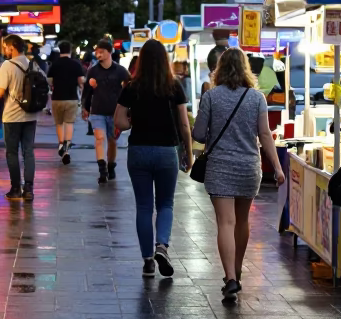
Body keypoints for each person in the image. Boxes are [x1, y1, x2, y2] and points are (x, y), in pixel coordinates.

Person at [192, 48, 285, 303]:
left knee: (225, 223)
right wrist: (277, 168)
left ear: (219, 69)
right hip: (248, 167)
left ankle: (230, 277)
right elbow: (265, 135)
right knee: (242, 222)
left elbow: (198, 135)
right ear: (246, 69)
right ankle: (238, 272)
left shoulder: (211, 96)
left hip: (219, 166)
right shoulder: (257, 98)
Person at [114, 39, 193, 278]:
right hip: (167, 151)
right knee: (166, 204)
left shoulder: (131, 87)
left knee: (144, 206)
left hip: (138, 150)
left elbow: (118, 121)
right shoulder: (174, 86)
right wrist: (188, 153)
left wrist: (132, 122)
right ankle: (162, 246)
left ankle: (147, 260)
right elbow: (184, 124)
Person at [0, 34, 40, 201]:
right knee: (29, 151)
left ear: (11, 47)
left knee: (12, 153)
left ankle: (16, 188)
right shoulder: (32, 64)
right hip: (31, 115)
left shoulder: (7, 65)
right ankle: (29, 189)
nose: (3, 50)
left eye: (4, 47)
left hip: (12, 116)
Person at [82, 39, 130, 185]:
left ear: (109, 52)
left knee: (112, 141)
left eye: (101, 52)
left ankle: (111, 166)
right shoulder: (93, 71)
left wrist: (128, 107)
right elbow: (86, 91)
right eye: (97, 52)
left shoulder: (120, 71)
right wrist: (85, 107)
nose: (98, 54)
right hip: (97, 111)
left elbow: (130, 87)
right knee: (100, 138)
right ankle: (102, 170)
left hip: (115, 112)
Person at [48, 41, 86, 164]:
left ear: (60, 50)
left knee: (59, 123)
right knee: (69, 122)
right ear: (70, 50)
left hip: (57, 98)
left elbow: (49, 81)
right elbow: (81, 81)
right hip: (71, 98)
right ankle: (67, 148)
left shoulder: (54, 65)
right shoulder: (76, 64)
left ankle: (60, 145)